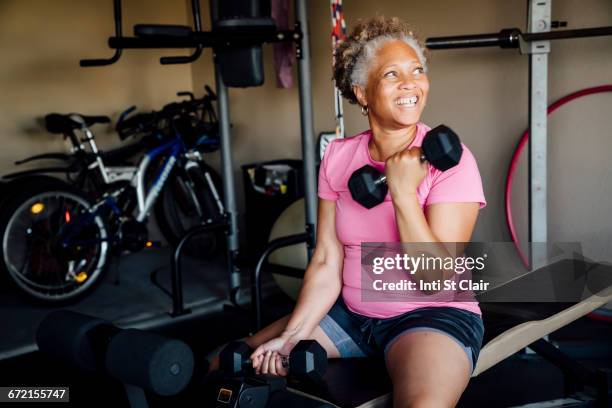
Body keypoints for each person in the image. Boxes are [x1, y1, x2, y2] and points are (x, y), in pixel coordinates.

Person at [212, 16, 486, 407]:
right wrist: (293, 334)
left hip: (430, 315)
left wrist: (404, 194)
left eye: (417, 70)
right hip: (351, 313)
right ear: (362, 92)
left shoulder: (452, 161)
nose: (411, 83)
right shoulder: (339, 157)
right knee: (229, 360)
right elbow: (326, 259)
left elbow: (435, 280)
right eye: (392, 73)